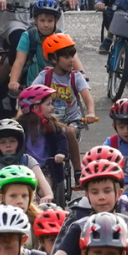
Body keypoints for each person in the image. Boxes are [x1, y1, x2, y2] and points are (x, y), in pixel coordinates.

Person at [32, 32, 97, 169]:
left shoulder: (76, 77)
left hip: (72, 120)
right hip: (50, 121)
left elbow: (87, 97)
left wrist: (90, 113)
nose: (71, 60)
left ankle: (78, 169)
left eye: (72, 56)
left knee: (69, 131)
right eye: (66, 57)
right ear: (54, 59)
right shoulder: (45, 76)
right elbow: (31, 95)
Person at [10, 0, 82, 91]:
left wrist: (81, 73)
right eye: (42, 20)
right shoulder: (28, 37)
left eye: (50, 21)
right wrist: (13, 81)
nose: (46, 25)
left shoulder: (63, 37)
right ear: (36, 20)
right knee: (23, 104)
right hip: (34, 86)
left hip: (60, 86)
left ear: (56, 21)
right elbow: (19, 62)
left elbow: (73, 58)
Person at [16, 85, 70, 191]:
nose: (52, 107)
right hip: (23, 166)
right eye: (48, 104)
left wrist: (61, 153)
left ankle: (43, 203)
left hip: (45, 166)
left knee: (44, 187)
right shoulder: (19, 126)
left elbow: (61, 139)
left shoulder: (51, 124)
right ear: (36, 108)